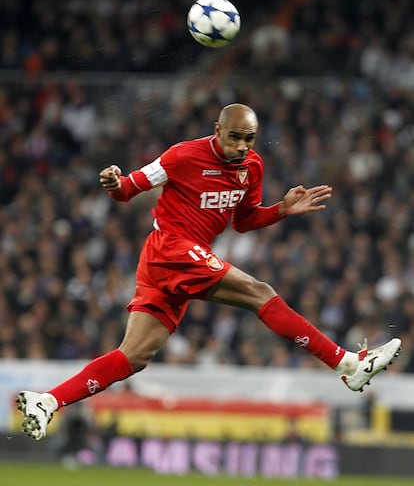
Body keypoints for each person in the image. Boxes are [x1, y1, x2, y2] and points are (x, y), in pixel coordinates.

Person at [17, 103, 401, 441]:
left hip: (177, 261)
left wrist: (282, 210)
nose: (241, 146)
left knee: (133, 357)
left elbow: (245, 220)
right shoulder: (181, 156)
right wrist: (115, 183)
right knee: (259, 292)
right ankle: (347, 363)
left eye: (248, 139)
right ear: (217, 131)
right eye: (234, 137)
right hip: (170, 248)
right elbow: (129, 188)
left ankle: (48, 400)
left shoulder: (252, 167)